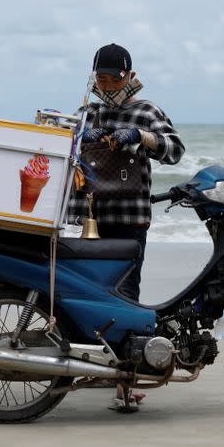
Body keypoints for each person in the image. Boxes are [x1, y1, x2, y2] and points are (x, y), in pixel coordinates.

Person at [68, 43, 185, 411]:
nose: (106, 85)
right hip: (92, 218)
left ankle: (125, 381)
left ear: (129, 76)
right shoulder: (90, 112)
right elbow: (59, 147)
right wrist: (76, 138)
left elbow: (175, 149)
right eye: (100, 78)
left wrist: (138, 137)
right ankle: (105, 368)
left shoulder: (146, 111)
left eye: (112, 78)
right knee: (93, 293)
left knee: (126, 294)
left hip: (131, 218)